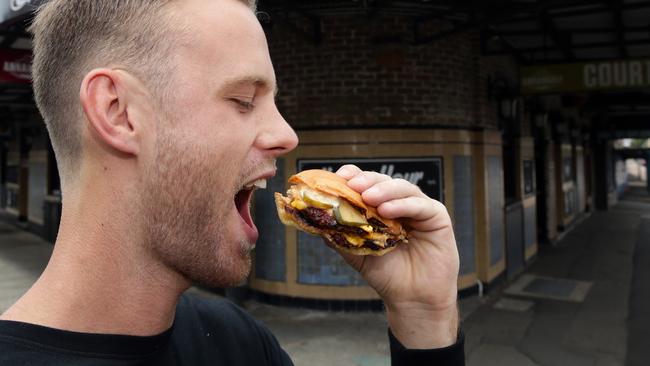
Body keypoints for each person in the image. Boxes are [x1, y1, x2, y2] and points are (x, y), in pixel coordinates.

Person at [0, 0, 464, 365]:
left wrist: (425, 319)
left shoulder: (239, 342)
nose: (287, 136)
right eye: (244, 99)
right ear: (117, 112)